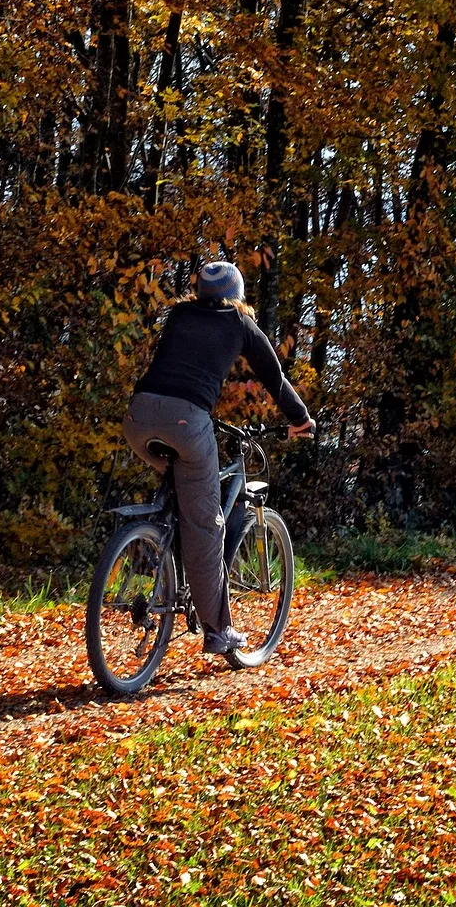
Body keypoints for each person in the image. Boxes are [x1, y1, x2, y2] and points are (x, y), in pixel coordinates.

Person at [122, 260, 314, 655]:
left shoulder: (178, 312)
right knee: (207, 524)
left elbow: (178, 367)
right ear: (238, 295)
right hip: (187, 422)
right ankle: (218, 630)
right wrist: (300, 418)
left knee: (183, 492)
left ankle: (155, 549)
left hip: (138, 416)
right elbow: (273, 376)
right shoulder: (239, 323)